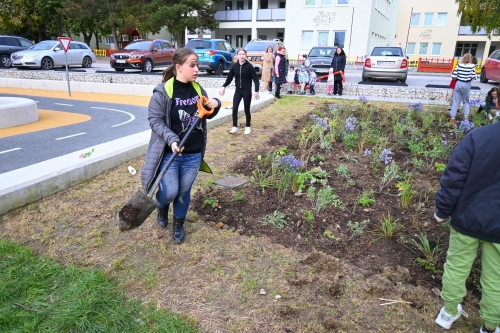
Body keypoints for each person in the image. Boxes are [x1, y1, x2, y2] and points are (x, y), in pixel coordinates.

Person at [434, 88, 500, 333]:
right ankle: (491, 326)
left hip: (467, 218)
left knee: (456, 266)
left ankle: (449, 312)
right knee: (496, 278)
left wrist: (442, 210)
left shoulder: (478, 137)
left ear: (496, 99)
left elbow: (454, 177)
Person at [141, 48, 222, 244]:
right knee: (169, 192)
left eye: (197, 65)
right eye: (192, 65)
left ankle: (178, 224)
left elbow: (208, 111)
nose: (197, 69)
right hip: (171, 153)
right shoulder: (163, 92)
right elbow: (155, 120)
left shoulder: (198, 90)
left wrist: (216, 103)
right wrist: (172, 139)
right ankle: (162, 205)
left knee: (184, 192)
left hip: (193, 153)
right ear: (179, 67)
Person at [220, 48, 260, 135]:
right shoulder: (235, 67)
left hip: (246, 90)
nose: (241, 56)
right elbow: (229, 78)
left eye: (243, 54)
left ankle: (248, 127)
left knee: (246, 109)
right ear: (237, 55)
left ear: (246, 55)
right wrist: (224, 86)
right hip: (238, 91)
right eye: (240, 54)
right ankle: (234, 127)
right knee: (234, 108)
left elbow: (256, 80)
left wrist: (256, 91)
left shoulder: (249, 67)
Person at [449, 53, 477, 125]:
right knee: (466, 101)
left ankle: (452, 119)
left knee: (456, 102)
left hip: (458, 83)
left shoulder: (459, 65)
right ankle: (465, 118)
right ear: (470, 58)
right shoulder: (472, 66)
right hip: (466, 84)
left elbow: (454, 75)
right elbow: (474, 76)